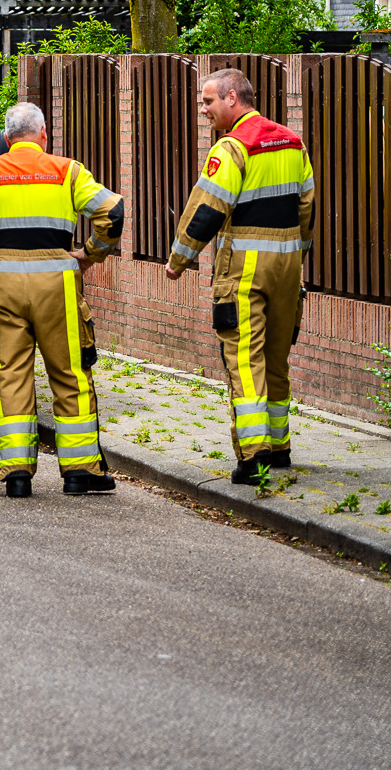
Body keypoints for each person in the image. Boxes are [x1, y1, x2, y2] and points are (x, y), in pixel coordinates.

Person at [0, 102, 125, 498]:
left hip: (2, 285)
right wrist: (90, 253)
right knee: (70, 374)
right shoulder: (67, 171)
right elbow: (113, 211)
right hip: (57, 285)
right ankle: (80, 473)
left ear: (5, 138)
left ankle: (17, 475)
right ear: (44, 134)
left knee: (10, 375)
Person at [164, 68, 316, 484]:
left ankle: (253, 458)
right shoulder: (291, 140)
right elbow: (306, 206)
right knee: (277, 357)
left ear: (233, 98)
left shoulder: (232, 147)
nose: (203, 110)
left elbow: (208, 207)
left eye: (208, 101)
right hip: (287, 266)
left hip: (244, 270)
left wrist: (179, 259)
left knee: (245, 360)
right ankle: (280, 448)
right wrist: (299, 254)